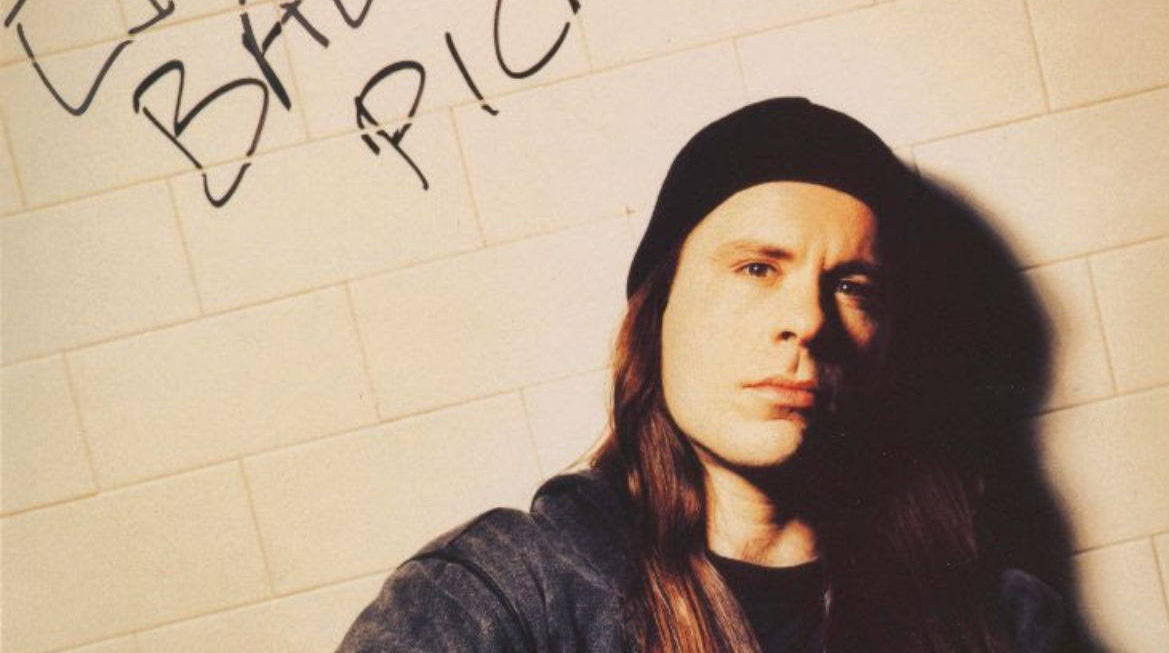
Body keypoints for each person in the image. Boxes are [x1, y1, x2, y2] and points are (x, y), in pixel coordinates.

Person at [336, 98, 1069, 653]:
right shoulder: (502, 598)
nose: (809, 320)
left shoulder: (1001, 622)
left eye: (853, 286)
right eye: (757, 268)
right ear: (657, 314)